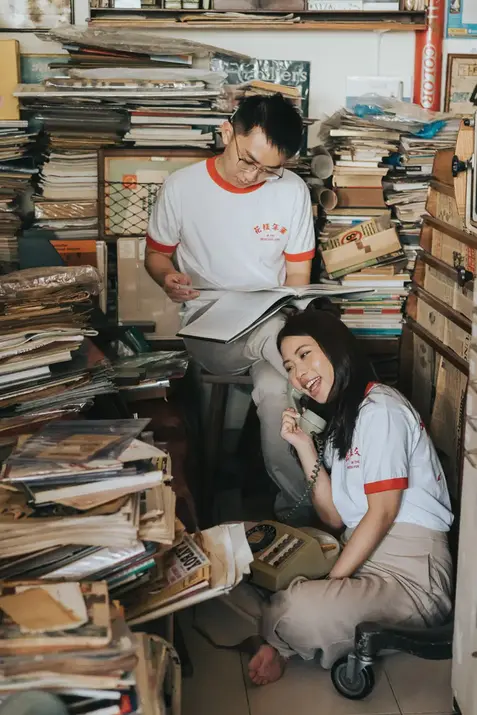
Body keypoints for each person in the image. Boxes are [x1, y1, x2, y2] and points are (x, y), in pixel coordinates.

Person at [248, 306, 454, 686]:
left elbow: (382, 512)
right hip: (362, 555)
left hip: (410, 575)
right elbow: (333, 517)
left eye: (305, 355)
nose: (298, 374)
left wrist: (332, 581)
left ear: (335, 348)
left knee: (294, 607)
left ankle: (281, 640)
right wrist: (304, 444)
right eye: (290, 366)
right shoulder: (346, 418)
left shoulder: (382, 409)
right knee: (257, 573)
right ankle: (280, 635)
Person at [145, 93, 316, 520]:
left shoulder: (292, 191)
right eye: (249, 161)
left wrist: (292, 314)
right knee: (300, 357)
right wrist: (167, 278)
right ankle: (340, 397)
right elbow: (156, 256)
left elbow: (298, 276)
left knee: (277, 393)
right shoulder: (182, 187)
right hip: (210, 327)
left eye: (270, 169)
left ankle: (298, 512)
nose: (254, 175)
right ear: (227, 133)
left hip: (272, 324)